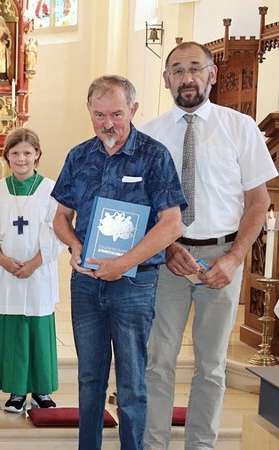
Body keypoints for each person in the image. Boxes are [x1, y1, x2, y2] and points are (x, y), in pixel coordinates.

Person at [141, 42, 276, 450]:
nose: (186, 78)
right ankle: (154, 444)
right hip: (168, 260)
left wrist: (235, 258)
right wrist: (165, 248)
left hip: (222, 257)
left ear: (212, 75)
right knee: (158, 362)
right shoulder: (149, 133)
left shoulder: (241, 127)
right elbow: (141, 206)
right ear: (166, 80)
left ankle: (201, 445)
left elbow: (259, 202)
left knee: (212, 366)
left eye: (195, 69)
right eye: (177, 70)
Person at [50, 75, 185, 450]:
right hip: (87, 283)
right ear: (89, 112)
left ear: (134, 110)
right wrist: (75, 246)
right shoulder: (79, 156)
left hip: (134, 285)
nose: (107, 123)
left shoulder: (154, 156)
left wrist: (123, 262)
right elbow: (61, 217)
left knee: (131, 383)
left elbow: (172, 223)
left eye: (117, 114)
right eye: (99, 115)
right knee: (89, 379)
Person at [0, 128, 61, 413]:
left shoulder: (51, 189)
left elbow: (57, 228)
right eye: (15, 153)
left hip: (37, 272)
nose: (21, 158)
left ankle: (41, 391)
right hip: (6, 272)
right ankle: (15, 391)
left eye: (27, 152)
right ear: (6, 156)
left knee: (37, 328)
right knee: (12, 329)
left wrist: (36, 262)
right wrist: (0, 258)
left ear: (37, 154)